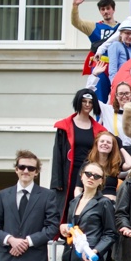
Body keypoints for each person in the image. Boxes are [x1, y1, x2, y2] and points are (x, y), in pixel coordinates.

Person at [52, 89, 107, 224]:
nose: (87, 105)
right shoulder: (64, 127)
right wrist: (57, 181)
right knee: (67, 205)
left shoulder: (100, 130)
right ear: (78, 102)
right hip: (68, 172)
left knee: (87, 205)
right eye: (84, 101)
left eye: (90, 102)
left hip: (89, 172)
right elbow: (57, 154)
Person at [84, 131, 131, 201]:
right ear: (96, 144)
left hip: (110, 205)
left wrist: (120, 147)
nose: (105, 143)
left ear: (113, 147)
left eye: (108, 142)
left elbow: (130, 164)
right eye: (102, 141)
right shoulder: (88, 164)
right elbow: (78, 188)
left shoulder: (115, 164)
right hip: (92, 205)